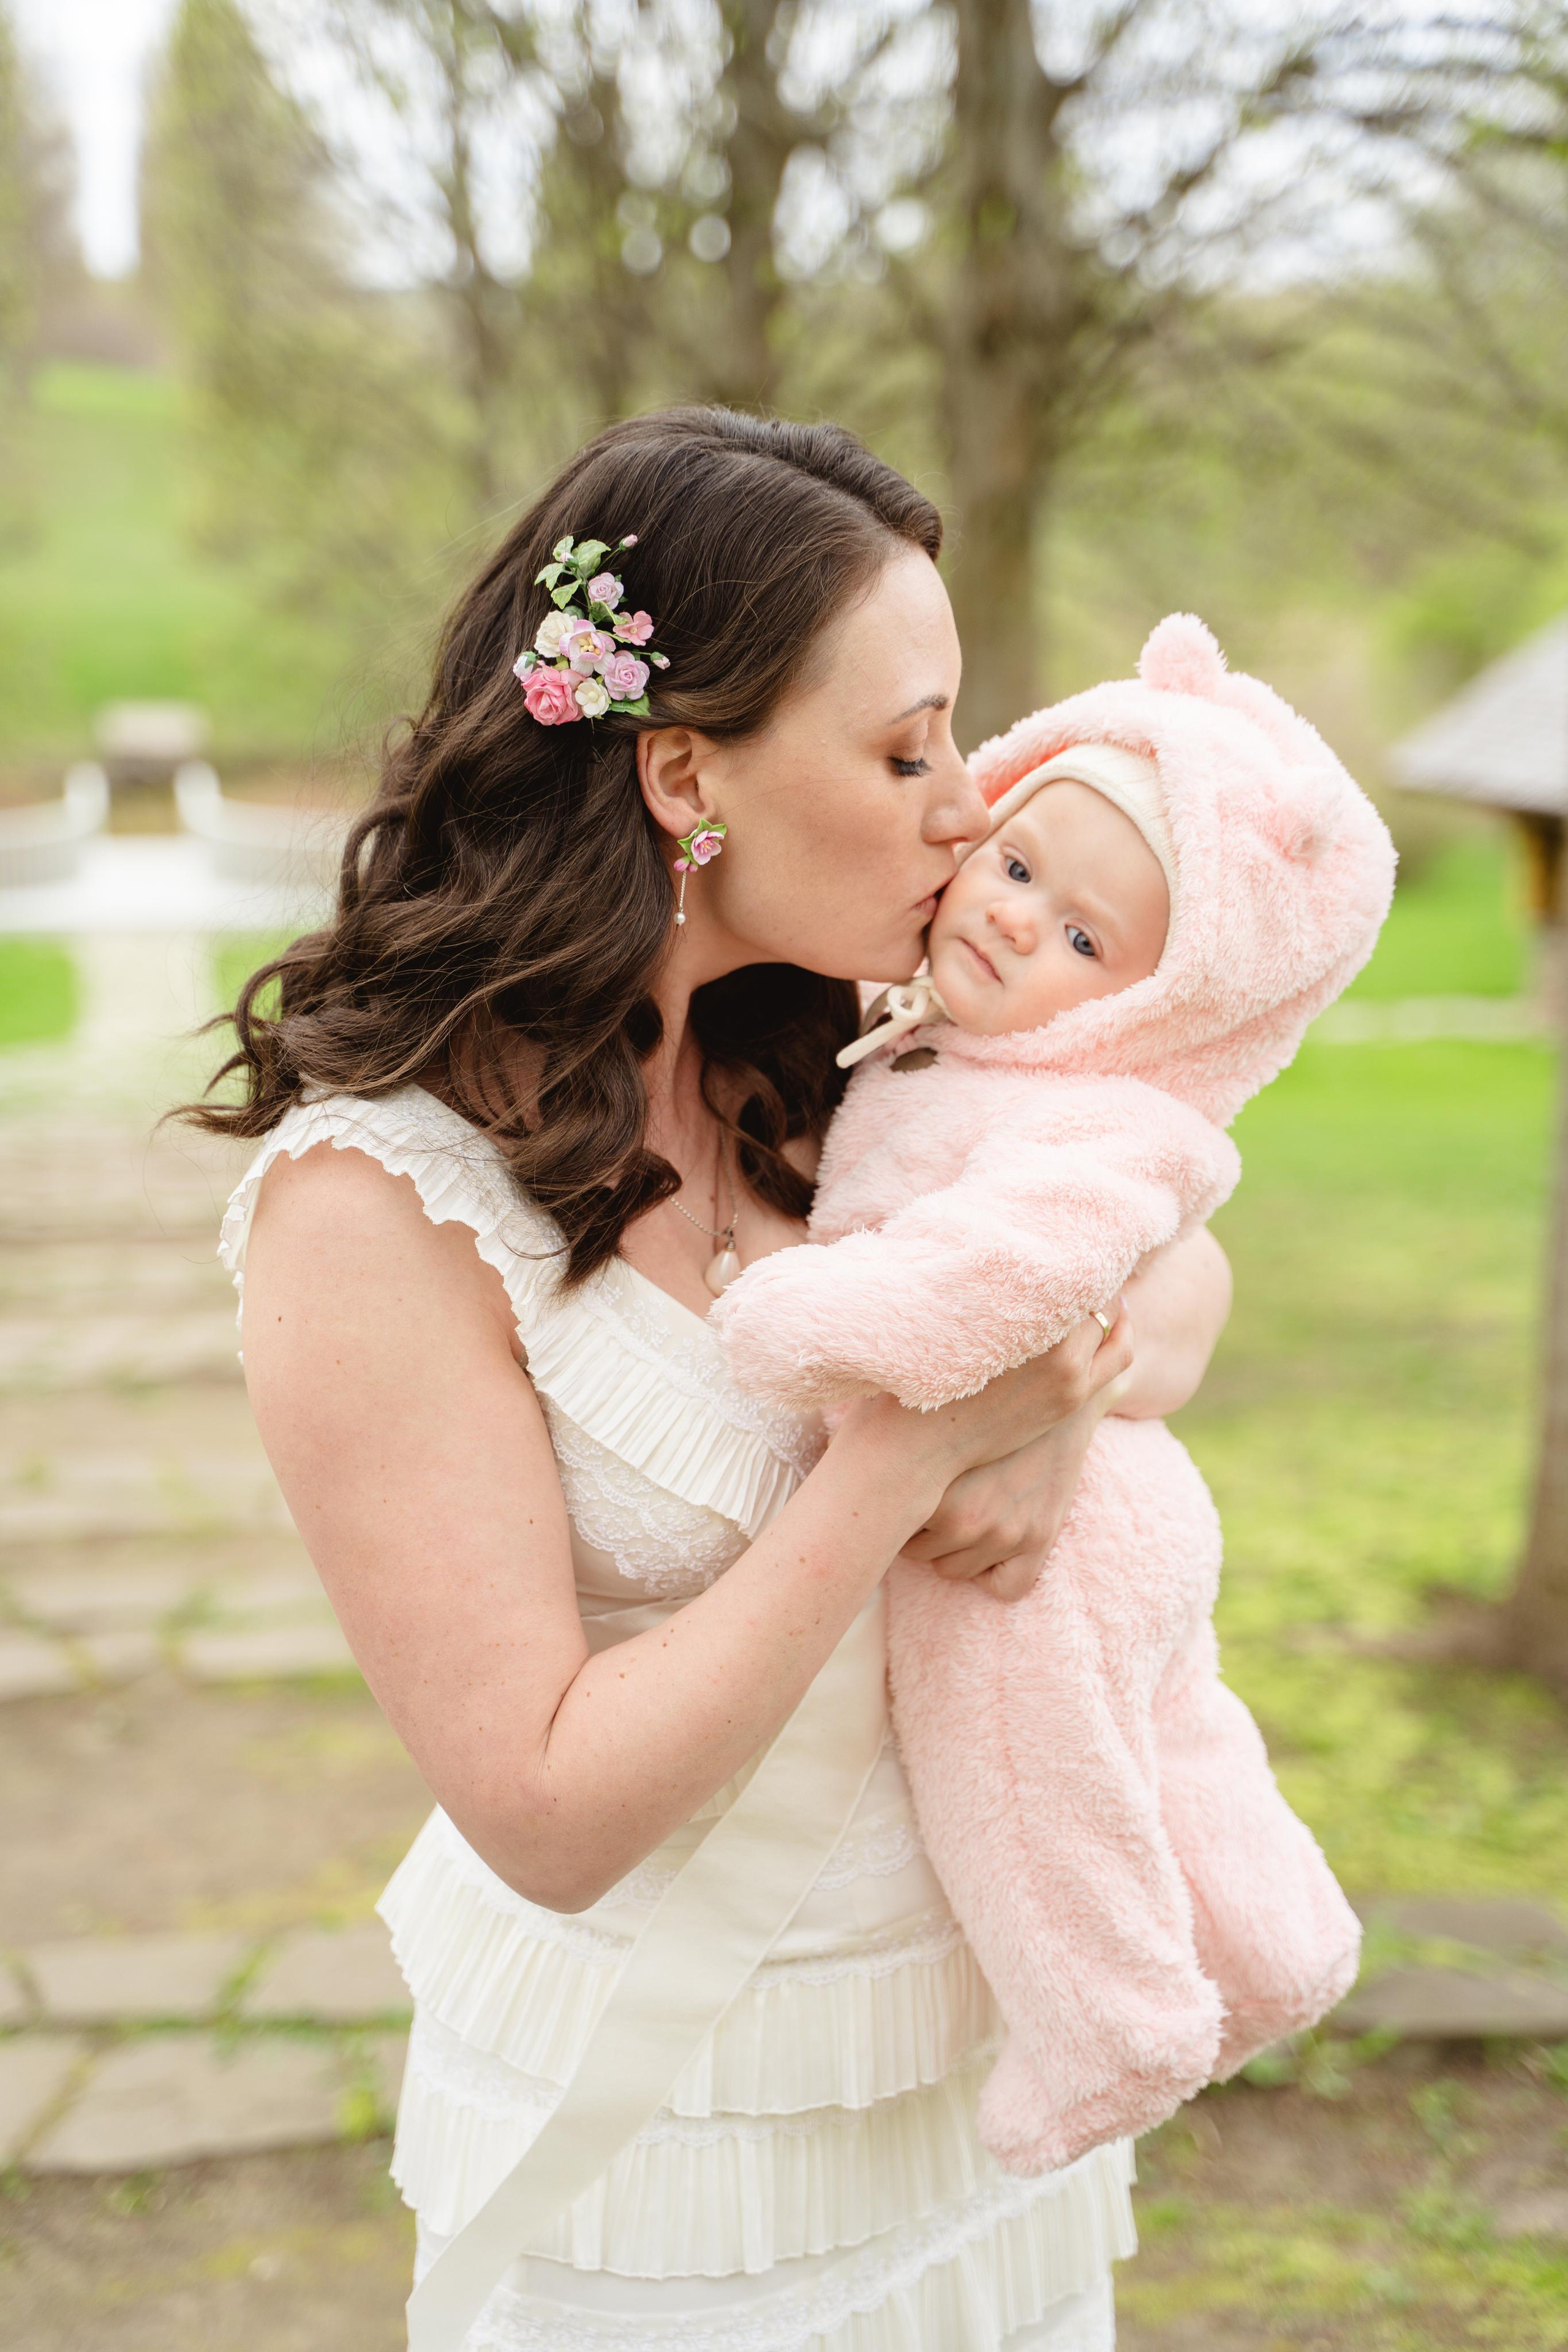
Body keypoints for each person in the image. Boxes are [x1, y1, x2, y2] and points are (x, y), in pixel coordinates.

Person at [193, 410, 1233, 2352]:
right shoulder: (378, 1211)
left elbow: (1180, 1241)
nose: (969, 801)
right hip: (674, 2152)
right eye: (909, 745)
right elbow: (546, 1808)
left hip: (960, 2089)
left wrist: (1075, 1392)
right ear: (685, 774)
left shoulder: (839, 1056)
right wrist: (907, 1461)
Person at [715, 616, 1396, 2181]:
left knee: (1033, 1778)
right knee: (1172, 1739)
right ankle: (1277, 1942)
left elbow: (998, 1273)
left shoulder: (1098, 1125)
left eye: (1088, 944)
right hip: (1116, 1505)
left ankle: (1110, 2024)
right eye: (1019, 868)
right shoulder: (938, 1046)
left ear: (1148, 1013)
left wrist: (803, 1320)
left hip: (1046, 1538)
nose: (1022, 927)